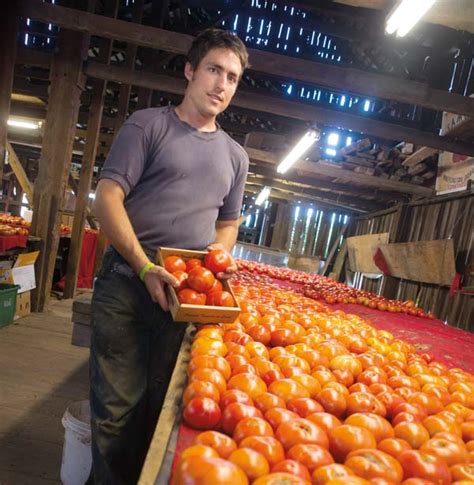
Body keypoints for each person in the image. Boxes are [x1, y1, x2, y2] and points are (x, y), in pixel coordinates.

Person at [89, 28, 249, 484]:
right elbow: (107, 198)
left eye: (232, 77)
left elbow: (227, 223)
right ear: (190, 71)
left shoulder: (236, 157)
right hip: (126, 282)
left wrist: (220, 251)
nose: (221, 84)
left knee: (160, 408)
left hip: (185, 295)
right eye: (213, 70)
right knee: (116, 411)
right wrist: (144, 267)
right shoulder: (148, 125)